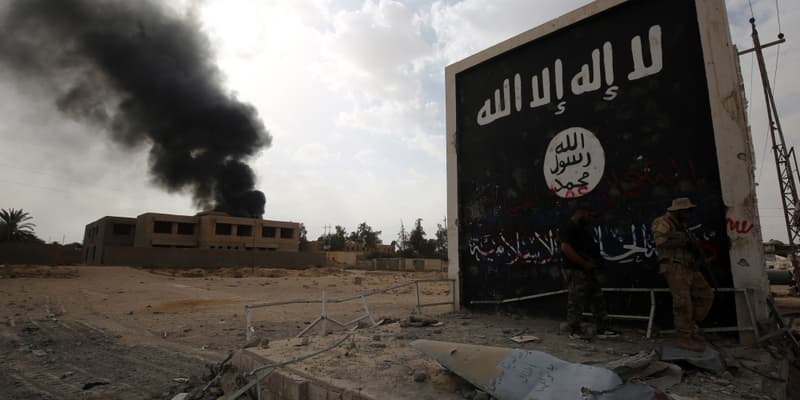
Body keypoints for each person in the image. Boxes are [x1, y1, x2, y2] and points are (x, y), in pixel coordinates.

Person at [652, 197, 714, 352]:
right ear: (678, 211)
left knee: (706, 295)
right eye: (686, 211)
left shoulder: (682, 226)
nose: (689, 213)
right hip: (675, 267)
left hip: (689, 267)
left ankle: (690, 328)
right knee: (682, 304)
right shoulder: (664, 222)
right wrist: (684, 242)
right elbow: (660, 242)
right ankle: (684, 338)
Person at [561, 204, 618, 340]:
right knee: (576, 300)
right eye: (589, 215)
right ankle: (574, 331)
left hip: (588, 269)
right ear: (581, 212)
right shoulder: (570, 228)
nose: (590, 218)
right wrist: (583, 263)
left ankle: (602, 328)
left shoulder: (581, 229)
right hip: (576, 270)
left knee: (597, 298)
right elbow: (566, 248)